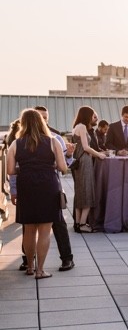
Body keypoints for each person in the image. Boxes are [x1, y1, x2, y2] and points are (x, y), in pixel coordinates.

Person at [6, 109, 68, 278]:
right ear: (41, 121)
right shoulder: (52, 141)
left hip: (26, 186)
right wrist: (50, 166)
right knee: (45, 231)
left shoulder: (15, 144)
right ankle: (40, 270)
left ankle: (29, 267)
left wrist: (27, 168)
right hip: (48, 185)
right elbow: (63, 167)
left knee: (29, 229)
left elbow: (10, 170)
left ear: (23, 123)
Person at [34, 106, 76, 270]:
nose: (43, 120)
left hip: (52, 186)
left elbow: (64, 166)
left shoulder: (56, 138)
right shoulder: (22, 139)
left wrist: (69, 155)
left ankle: (67, 258)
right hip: (30, 187)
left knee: (58, 223)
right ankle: (28, 259)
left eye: (45, 117)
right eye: (40, 116)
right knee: (29, 225)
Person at [71, 106, 107, 233]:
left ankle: (78, 223)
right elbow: (86, 147)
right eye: (92, 115)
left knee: (80, 192)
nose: (94, 117)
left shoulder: (77, 126)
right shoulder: (82, 127)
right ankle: (82, 224)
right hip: (85, 162)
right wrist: (99, 154)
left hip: (79, 162)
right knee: (87, 191)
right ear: (87, 115)